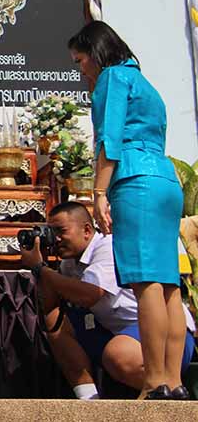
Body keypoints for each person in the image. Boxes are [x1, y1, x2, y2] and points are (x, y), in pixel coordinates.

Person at [68, 20, 188, 400]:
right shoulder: (146, 85)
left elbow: (110, 139)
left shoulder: (113, 78)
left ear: (97, 53)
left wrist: (98, 192)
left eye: (80, 60)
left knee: (145, 283)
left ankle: (154, 381)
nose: (80, 70)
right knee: (168, 286)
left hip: (136, 182)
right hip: (166, 183)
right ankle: (173, 381)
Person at [20, 201, 195, 399]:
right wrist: (42, 264)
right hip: (119, 333)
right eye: (51, 232)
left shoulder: (108, 246)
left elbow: (90, 295)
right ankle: (88, 398)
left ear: (87, 230)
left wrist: (40, 269)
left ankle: (168, 391)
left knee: (118, 354)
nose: (56, 238)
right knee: (55, 321)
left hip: (161, 335)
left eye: (61, 231)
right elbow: (49, 307)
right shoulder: (69, 262)